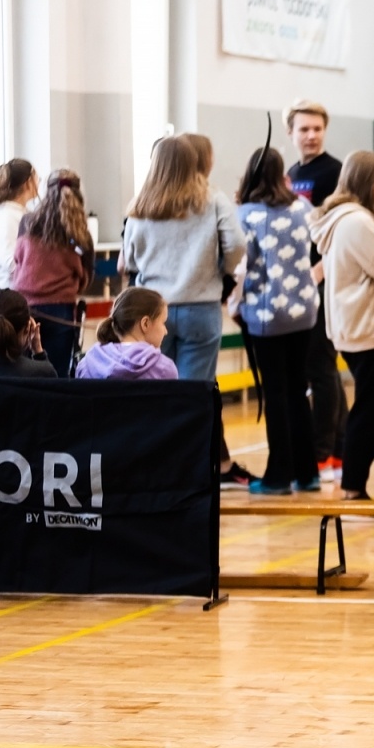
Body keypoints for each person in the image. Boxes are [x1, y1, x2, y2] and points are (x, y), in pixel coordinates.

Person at [121, 134, 250, 488]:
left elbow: (128, 259)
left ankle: (158, 473)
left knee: (156, 393)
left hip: (150, 311)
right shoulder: (212, 199)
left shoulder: (141, 204)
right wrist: (223, 270)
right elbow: (238, 244)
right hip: (199, 306)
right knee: (195, 396)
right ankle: (192, 477)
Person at [308, 150, 374, 502]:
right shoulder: (358, 222)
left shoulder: (346, 218)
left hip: (356, 325)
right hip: (368, 327)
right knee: (371, 408)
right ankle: (352, 486)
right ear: (367, 181)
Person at [236, 145, 322, 495]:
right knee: (298, 391)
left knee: (275, 393)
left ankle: (278, 475)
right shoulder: (303, 208)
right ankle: (307, 472)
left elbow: (244, 264)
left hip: (267, 314)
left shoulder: (247, 214)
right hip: (304, 311)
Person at [285, 98, 348, 478]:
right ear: (291, 133)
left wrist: (318, 274)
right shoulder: (292, 173)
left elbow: (340, 231)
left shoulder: (335, 173)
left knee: (319, 365)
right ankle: (335, 450)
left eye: (317, 129)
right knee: (316, 368)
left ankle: (324, 452)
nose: (311, 136)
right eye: (304, 129)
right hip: (297, 284)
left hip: (320, 284)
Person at [11, 169, 93, 378]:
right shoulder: (80, 233)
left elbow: (18, 260)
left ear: (47, 192)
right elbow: (86, 276)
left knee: (22, 371)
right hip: (61, 309)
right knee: (56, 374)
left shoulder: (27, 223)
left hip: (25, 308)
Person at [76, 288, 178, 381]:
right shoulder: (164, 369)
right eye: (163, 323)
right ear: (145, 323)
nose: (166, 331)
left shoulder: (86, 365)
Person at [0, 159, 38, 292]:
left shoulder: (23, 212)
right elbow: (10, 262)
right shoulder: (5, 215)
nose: (39, 182)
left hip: (21, 291)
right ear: (28, 182)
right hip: (7, 293)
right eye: (37, 178)